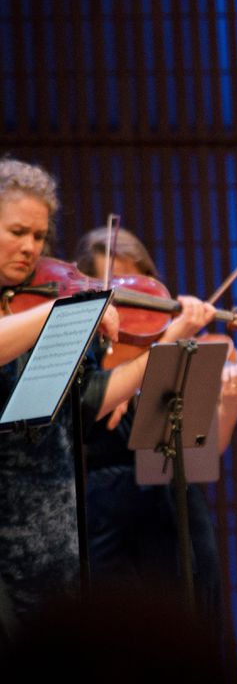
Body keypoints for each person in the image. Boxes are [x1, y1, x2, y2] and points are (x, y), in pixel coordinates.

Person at [0, 160, 172, 631]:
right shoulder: (45, 310)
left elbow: (88, 401)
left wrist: (156, 354)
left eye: (38, 236)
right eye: (17, 232)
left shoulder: (41, 297)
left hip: (54, 519)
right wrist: (64, 311)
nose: (30, 248)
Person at [72, 226, 237, 619]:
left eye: (137, 288)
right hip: (107, 517)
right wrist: (171, 339)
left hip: (175, 505)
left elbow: (202, 451)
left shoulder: (169, 346)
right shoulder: (84, 358)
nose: (129, 304)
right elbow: (86, 412)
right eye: (117, 291)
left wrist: (231, 406)